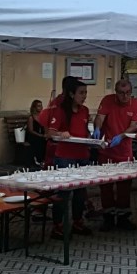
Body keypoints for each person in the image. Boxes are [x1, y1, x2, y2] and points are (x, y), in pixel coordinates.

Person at [45, 80, 93, 239]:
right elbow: (50, 133)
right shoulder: (60, 111)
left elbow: (85, 131)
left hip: (82, 156)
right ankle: (58, 225)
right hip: (65, 157)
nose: (84, 96)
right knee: (63, 192)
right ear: (72, 94)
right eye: (81, 93)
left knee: (80, 192)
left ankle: (78, 222)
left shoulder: (85, 111)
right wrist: (61, 134)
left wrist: (92, 139)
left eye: (85, 93)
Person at [94, 79, 137, 231]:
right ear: (116, 92)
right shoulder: (108, 100)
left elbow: (134, 126)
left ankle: (123, 218)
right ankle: (108, 217)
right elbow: (100, 117)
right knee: (106, 185)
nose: (125, 96)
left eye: (128, 93)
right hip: (106, 149)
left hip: (123, 150)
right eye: (121, 93)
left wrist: (121, 136)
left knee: (124, 186)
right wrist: (97, 128)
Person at [25, 99, 47, 167]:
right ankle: (38, 160)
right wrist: (40, 135)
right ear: (34, 107)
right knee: (39, 142)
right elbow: (31, 130)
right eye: (38, 106)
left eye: (41, 106)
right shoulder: (31, 118)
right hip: (33, 136)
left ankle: (44, 160)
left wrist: (45, 134)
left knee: (46, 141)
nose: (41, 107)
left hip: (41, 135)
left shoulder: (42, 116)